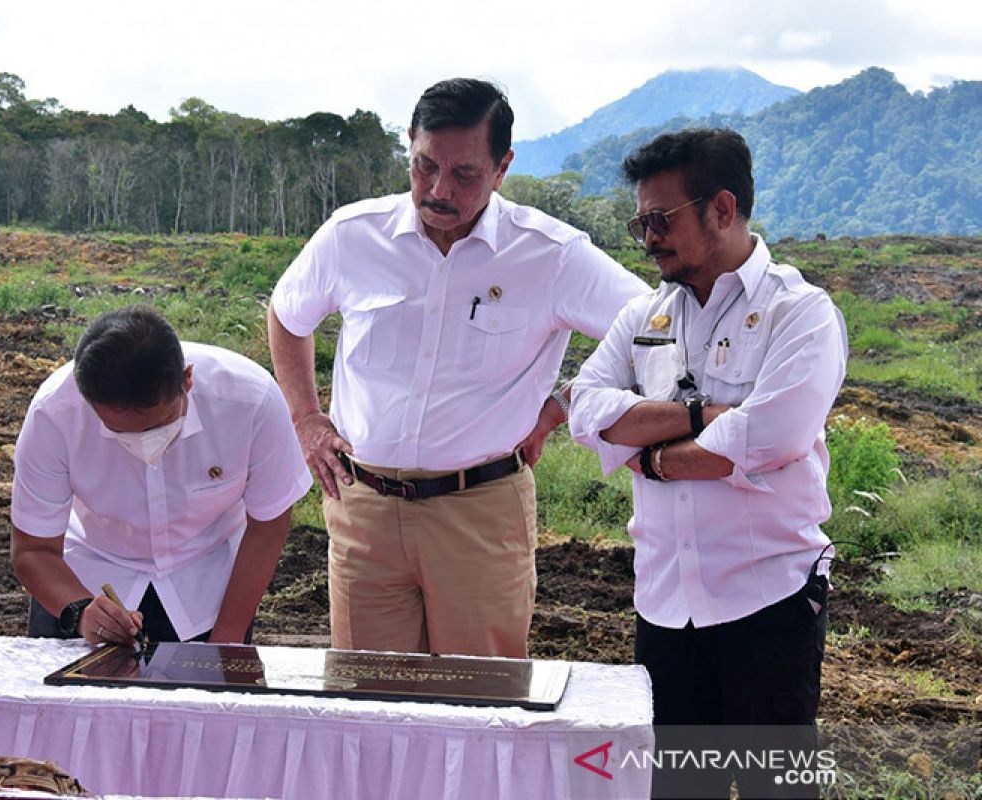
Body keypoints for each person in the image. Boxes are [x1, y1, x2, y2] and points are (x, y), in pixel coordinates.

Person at [268, 78, 647, 659]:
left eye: (465, 174)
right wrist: (306, 419)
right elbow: (287, 313)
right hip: (363, 508)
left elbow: (651, 330)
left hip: (479, 513)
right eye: (424, 166)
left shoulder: (550, 254)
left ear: (502, 169)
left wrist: (563, 406)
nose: (439, 189)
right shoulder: (352, 237)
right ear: (409, 148)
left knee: (480, 707)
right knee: (370, 703)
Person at [567, 128, 847, 798]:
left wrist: (651, 458)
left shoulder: (799, 313)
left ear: (722, 209)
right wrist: (704, 417)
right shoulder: (643, 315)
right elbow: (583, 410)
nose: (648, 237)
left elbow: (772, 436)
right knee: (671, 788)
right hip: (664, 604)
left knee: (776, 789)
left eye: (661, 220)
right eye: (641, 222)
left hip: (770, 602)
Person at [11, 304, 311, 648]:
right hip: (86, 582)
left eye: (156, 426)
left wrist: (227, 639)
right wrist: (80, 612)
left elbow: (268, 523)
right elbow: (32, 549)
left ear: (187, 379)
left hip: (208, 592)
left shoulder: (251, 402)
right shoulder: (54, 414)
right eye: (118, 432)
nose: (142, 444)